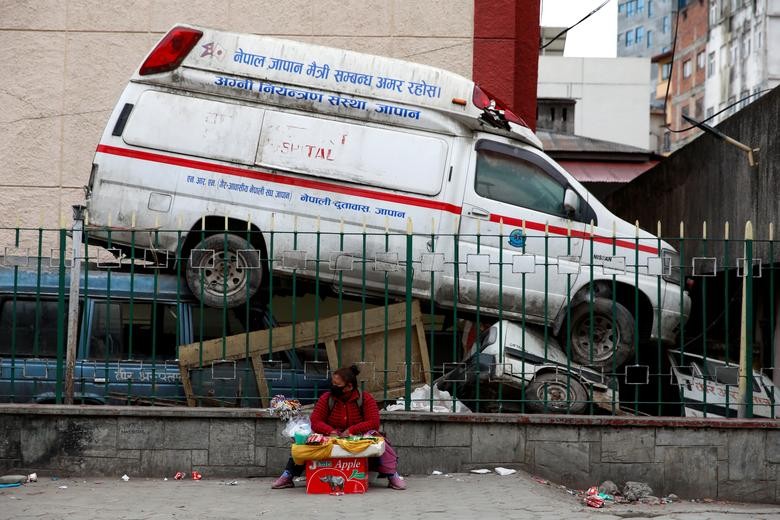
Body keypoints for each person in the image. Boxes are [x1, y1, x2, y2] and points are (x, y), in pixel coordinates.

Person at [271, 365, 406, 490]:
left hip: (358, 437)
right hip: (331, 436)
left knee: (381, 443)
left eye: (337, 385)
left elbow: (373, 422)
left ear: (349, 386)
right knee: (303, 445)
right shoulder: (327, 398)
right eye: (333, 384)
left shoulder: (365, 399)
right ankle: (288, 475)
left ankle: (392, 475)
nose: (333, 387)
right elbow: (316, 420)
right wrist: (330, 431)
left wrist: (351, 430)